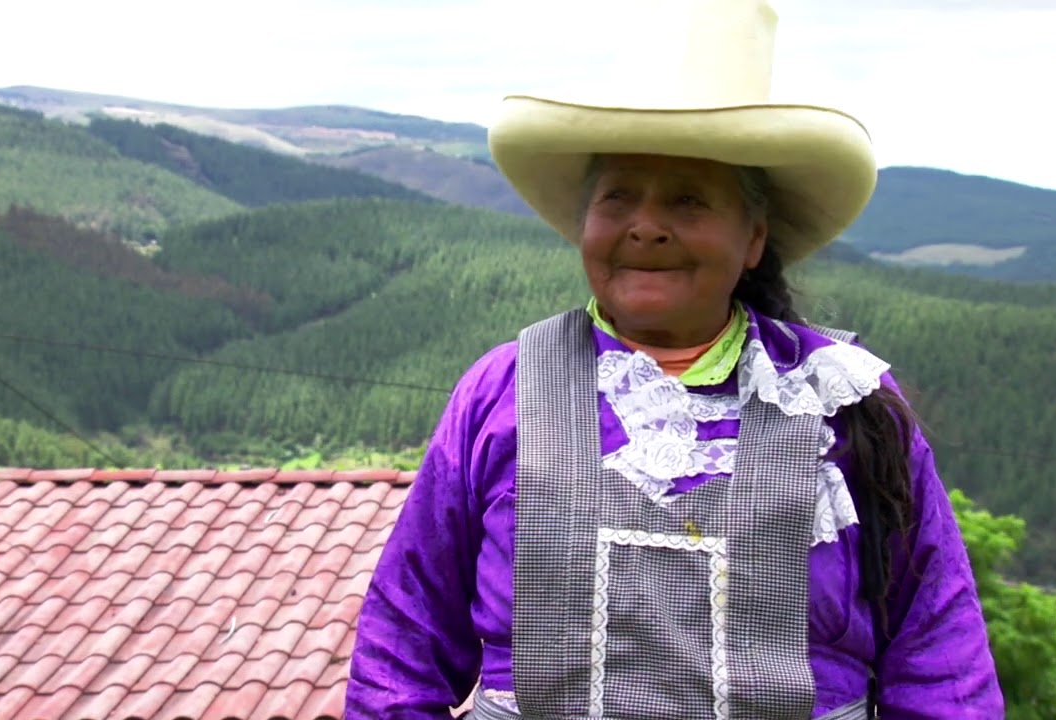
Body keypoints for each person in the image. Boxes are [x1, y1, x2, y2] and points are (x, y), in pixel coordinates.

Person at [345, 0, 1003, 717]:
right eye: (618, 196)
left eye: (688, 201)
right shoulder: (503, 391)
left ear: (754, 238)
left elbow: (939, 660)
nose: (647, 227)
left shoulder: (844, 406)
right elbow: (401, 650)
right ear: (585, 223)